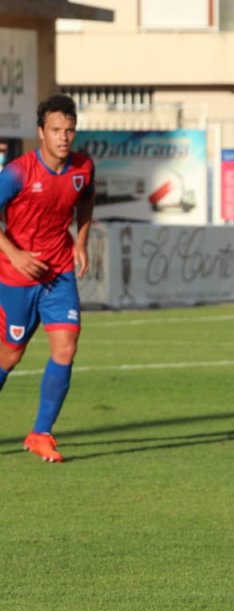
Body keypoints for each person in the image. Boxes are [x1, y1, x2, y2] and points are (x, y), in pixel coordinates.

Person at [0, 94, 94, 463]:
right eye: (56, 130)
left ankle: (41, 433)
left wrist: (81, 241)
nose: (64, 137)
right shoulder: (18, 172)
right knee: (10, 355)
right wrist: (14, 253)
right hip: (17, 276)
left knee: (66, 347)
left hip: (59, 273)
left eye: (69, 130)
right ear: (41, 132)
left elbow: (86, 198)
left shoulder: (83, 167)